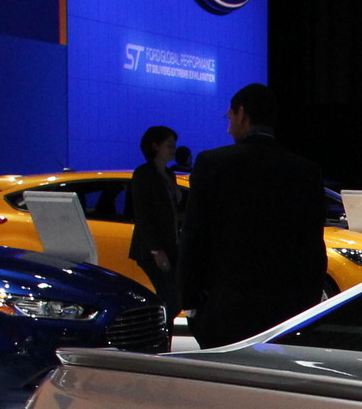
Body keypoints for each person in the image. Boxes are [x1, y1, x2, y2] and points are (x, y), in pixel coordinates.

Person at [177, 84, 328, 347]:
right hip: (285, 311)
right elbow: (312, 247)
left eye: (229, 117)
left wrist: (190, 302)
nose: (228, 126)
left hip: (224, 310)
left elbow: (194, 236)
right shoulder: (305, 171)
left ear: (242, 114)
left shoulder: (212, 164)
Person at [128, 125, 183, 316]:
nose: (174, 149)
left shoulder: (169, 174)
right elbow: (143, 214)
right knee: (170, 299)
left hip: (171, 245)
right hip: (153, 249)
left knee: (173, 297)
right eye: (169, 145)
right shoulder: (143, 174)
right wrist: (156, 250)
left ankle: (160, 336)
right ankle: (157, 337)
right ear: (155, 146)